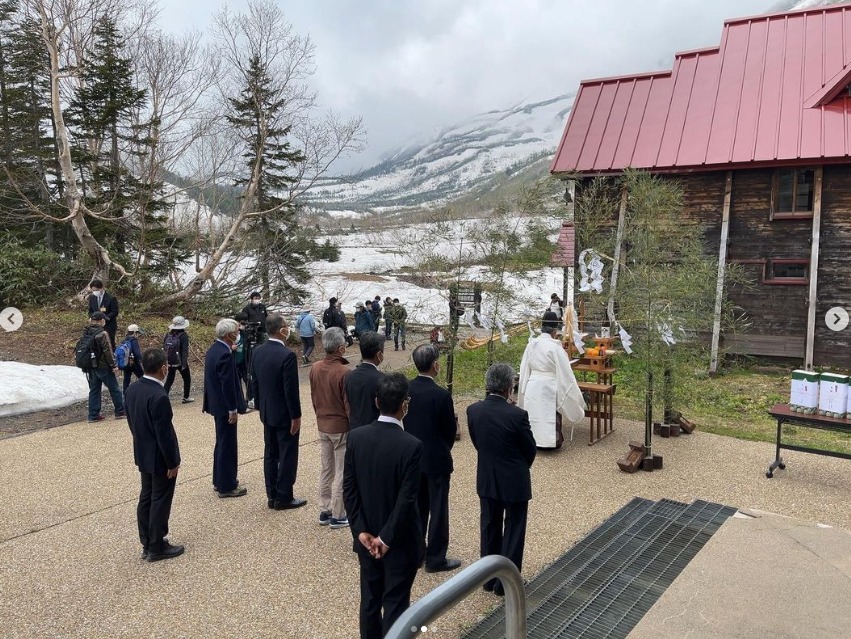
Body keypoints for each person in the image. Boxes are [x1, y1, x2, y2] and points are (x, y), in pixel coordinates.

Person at [343, 373, 424, 639]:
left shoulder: (356, 437)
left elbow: (349, 490)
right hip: (399, 540)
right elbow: (406, 499)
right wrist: (386, 538)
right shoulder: (412, 445)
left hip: (366, 535)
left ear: (377, 402)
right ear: (405, 405)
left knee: (369, 601)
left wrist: (360, 531)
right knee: (396, 604)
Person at [467, 363, 537, 596]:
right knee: (514, 528)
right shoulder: (518, 415)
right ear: (509, 387)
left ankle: (488, 578)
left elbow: (477, 442)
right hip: (514, 478)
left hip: (487, 475)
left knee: (489, 525)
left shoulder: (473, 410)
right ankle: (505, 583)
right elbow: (530, 449)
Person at [403, 344, 461, 574]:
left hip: (412, 456)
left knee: (417, 507)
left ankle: (416, 553)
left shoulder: (406, 389)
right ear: (435, 365)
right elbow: (449, 429)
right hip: (436, 457)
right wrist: (443, 447)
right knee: (438, 509)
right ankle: (436, 558)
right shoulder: (441, 395)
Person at [124, 348, 184, 562]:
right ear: (163, 368)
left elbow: (131, 421)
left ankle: (147, 541)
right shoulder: (159, 396)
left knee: (146, 496)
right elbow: (164, 434)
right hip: (159, 456)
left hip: (143, 450)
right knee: (160, 498)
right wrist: (173, 461)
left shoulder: (132, 389)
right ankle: (157, 544)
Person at [250, 313, 307, 511]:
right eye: (286, 326)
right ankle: (284, 496)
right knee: (287, 453)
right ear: (281, 330)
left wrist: (259, 406)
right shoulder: (287, 355)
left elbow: (254, 382)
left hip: (267, 410)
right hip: (284, 413)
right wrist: (296, 415)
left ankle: (272, 494)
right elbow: (290, 390)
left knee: (270, 453)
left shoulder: (257, 351)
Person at [517, 310, 585, 449]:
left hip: (532, 383)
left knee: (533, 413)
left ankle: (532, 440)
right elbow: (566, 374)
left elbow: (524, 368)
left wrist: (523, 387)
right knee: (547, 413)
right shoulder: (555, 348)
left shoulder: (531, 344)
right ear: (554, 331)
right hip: (548, 384)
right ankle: (548, 442)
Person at [308, 327, 351, 528]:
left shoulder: (315, 367)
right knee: (341, 471)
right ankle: (339, 513)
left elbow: (313, 397)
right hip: (340, 425)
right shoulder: (344, 372)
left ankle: (325, 509)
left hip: (322, 422)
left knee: (327, 468)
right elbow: (348, 404)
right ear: (340, 348)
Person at [203, 318, 248, 498]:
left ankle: (219, 479)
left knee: (221, 442)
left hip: (216, 404)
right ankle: (227, 485)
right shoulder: (224, 354)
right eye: (236, 332)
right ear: (229, 335)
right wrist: (233, 409)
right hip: (224, 406)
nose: (238, 334)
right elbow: (227, 384)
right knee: (228, 445)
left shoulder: (214, 350)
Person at [83, 312, 126, 422]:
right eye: (104, 320)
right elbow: (108, 351)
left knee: (94, 390)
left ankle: (93, 415)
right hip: (103, 366)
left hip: (91, 366)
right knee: (114, 389)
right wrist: (114, 366)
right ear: (101, 321)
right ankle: (120, 411)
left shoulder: (86, 332)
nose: (105, 322)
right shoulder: (102, 333)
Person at [345, 331, 385, 430]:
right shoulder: (382, 379)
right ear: (379, 354)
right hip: (374, 430)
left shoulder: (350, 375)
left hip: (355, 428)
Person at [163, 316, 194, 404]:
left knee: (169, 380)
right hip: (180, 361)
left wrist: (166, 361)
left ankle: (163, 397)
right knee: (187, 378)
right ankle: (185, 397)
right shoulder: (184, 335)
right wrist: (184, 364)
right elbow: (185, 351)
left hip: (170, 361)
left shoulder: (168, 334)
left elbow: (164, 348)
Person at [87, 279, 119, 349]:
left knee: (109, 343)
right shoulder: (92, 297)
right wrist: (91, 318)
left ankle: (112, 354)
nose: (95, 292)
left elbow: (115, 312)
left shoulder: (111, 298)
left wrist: (105, 318)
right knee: (96, 344)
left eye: (96, 290)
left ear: (102, 288)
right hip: (96, 325)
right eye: (93, 290)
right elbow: (90, 310)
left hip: (109, 325)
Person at [119, 324, 145, 394]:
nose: (138, 335)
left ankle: (125, 394)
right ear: (134, 332)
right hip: (134, 363)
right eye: (137, 333)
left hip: (126, 363)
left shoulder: (124, 340)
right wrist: (143, 361)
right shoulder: (134, 341)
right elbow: (137, 353)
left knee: (126, 380)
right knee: (143, 377)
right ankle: (146, 392)